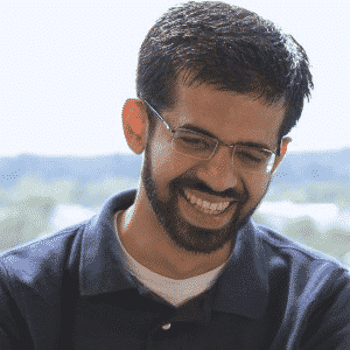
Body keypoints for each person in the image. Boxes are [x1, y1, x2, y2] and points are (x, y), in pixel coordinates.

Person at [1, 1, 349, 349]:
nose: (219, 178)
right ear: (137, 127)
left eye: (251, 154)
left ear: (279, 155)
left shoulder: (324, 304)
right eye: (195, 141)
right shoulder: (16, 296)